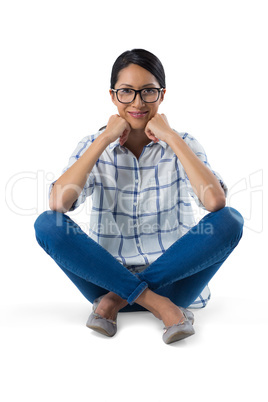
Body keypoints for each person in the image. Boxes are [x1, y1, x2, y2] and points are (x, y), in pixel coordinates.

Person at [34, 49, 244, 344]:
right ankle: (159, 307)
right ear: (112, 95)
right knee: (47, 224)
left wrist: (171, 137)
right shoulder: (93, 145)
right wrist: (104, 139)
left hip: (172, 283)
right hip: (105, 278)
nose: (137, 102)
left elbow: (215, 203)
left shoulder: (184, 144)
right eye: (126, 92)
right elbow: (58, 204)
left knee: (230, 221)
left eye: (148, 92)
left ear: (162, 94)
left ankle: (117, 302)